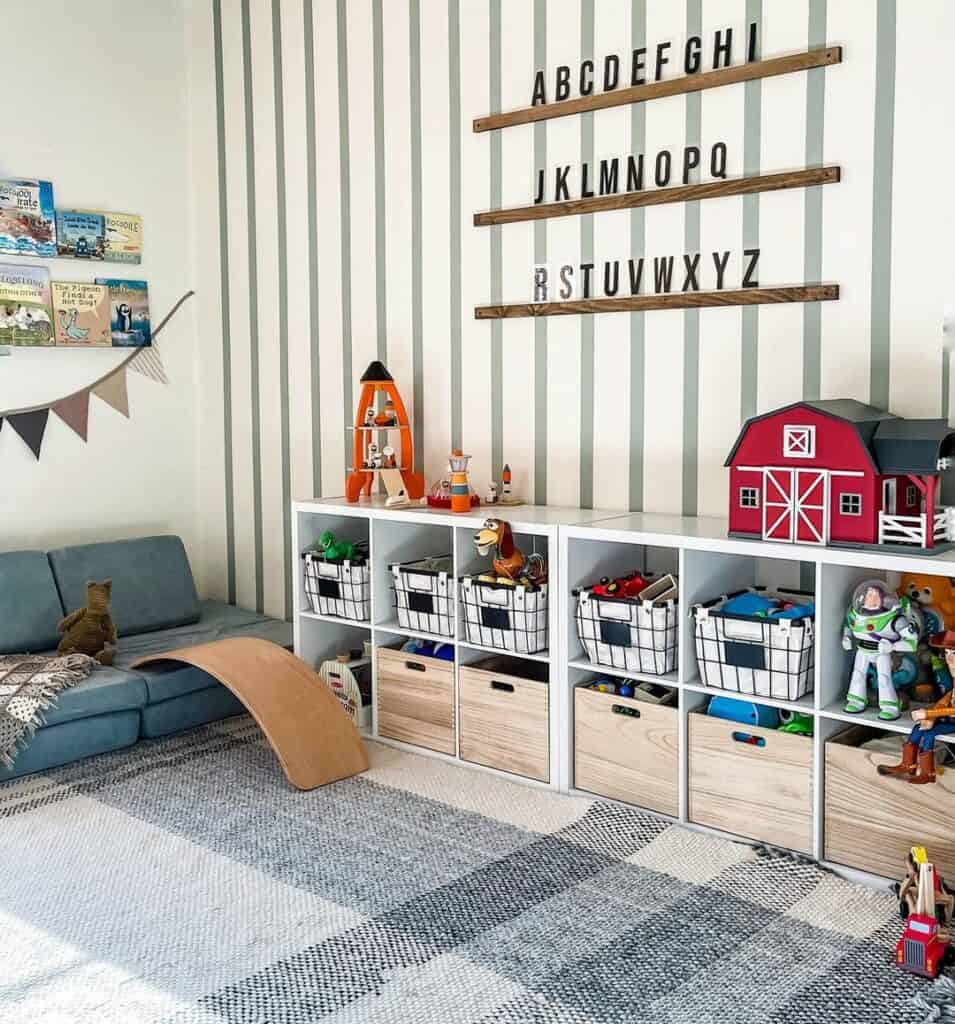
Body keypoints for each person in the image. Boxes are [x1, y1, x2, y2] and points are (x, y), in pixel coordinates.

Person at [878, 631, 955, 784]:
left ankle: (928, 773)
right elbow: (948, 698)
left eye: (954, 653)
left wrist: (929, 713)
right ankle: (908, 765)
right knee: (918, 728)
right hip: (948, 718)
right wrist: (931, 717)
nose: (949, 658)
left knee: (928, 735)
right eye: (947, 652)